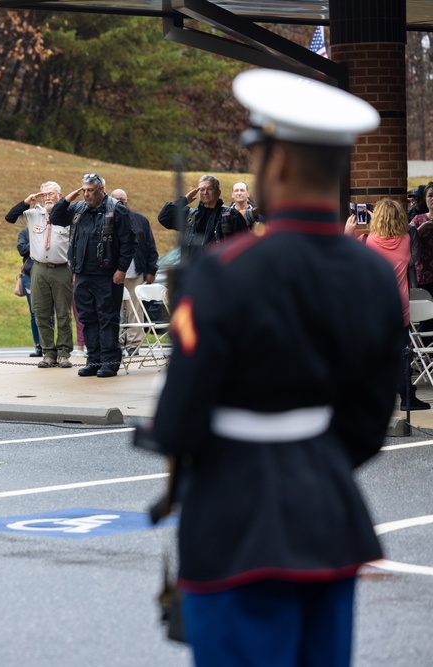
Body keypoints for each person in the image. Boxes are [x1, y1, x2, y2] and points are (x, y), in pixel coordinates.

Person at [135, 69, 399, 667]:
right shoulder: (373, 275)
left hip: (235, 524)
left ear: (275, 164)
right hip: (330, 518)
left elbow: (179, 421)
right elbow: (368, 420)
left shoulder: (228, 271)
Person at [49, 174, 135, 378]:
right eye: (84, 190)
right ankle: (94, 360)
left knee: (107, 318)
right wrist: (66, 200)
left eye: (90, 190)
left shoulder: (116, 209)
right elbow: (55, 218)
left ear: (101, 190)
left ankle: (110, 362)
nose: (86, 194)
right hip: (83, 274)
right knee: (88, 318)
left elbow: (129, 242)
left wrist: (121, 269)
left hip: (107, 275)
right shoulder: (78, 208)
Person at [346, 198, 427, 411]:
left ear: (377, 219)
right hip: (400, 308)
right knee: (402, 354)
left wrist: (349, 232)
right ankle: (407, 399)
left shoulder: (365, 241)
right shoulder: (406, 240)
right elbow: (410, 245)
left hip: (373, 309)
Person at [5, 182, 74, 368]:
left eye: (51, 194)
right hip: (39, 268)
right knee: (40, 313)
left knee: (63, 314)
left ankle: (64, 353)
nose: (48, 198)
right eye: (44, 195)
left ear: (60, 195)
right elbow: (10, 217)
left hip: (61, 269)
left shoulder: (68, 214)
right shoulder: (33, 214)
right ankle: (48, 353)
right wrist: (25, 202)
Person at [109, 189, 158, 355]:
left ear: (127, 201)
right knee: (113, 309)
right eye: (116, 200)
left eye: (122, 200)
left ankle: (134, 344)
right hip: (112, 273)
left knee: (135, 310)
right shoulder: (105, 220)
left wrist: (152, 270)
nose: (120, 203)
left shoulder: (140, 220)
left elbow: (151, 246)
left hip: (135, 272)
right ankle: (115, 342)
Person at [157, 174, 247, 259]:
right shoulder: (190, 215)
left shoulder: (232, 216)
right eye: (202, 189)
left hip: (219, 272)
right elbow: (164, 217)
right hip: (193, 272)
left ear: (218, 193)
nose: (205, 192)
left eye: (210, 189)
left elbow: (244, 247)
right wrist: (184, 200)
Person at [16, 227, 42, 357]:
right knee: (34, 312)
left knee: (50, 313)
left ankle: (51, 346)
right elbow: (22, 250)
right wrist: (37, 240)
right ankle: (38, 345)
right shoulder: (25, 232)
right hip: (29, 276)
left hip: (46, 275)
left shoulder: (51, 228)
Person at [409, 182, 433, 297]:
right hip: (422, 275)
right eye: (430, 196)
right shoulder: (418, 219)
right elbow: (407, 241)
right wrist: (424, 227)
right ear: (425, 198)